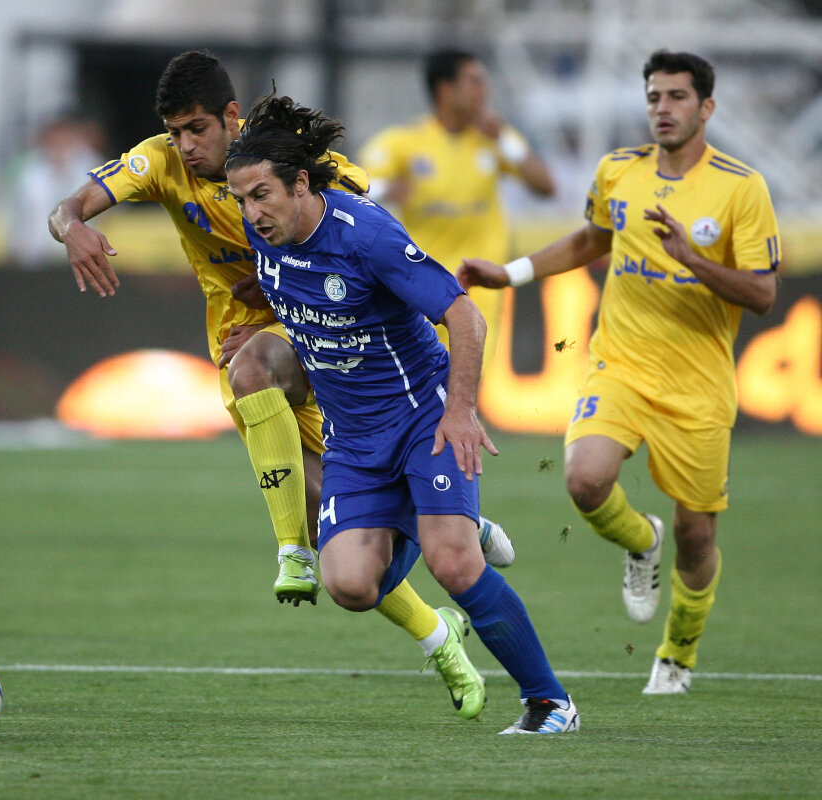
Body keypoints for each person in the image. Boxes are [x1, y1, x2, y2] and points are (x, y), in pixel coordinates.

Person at [50, 51, 512, 718]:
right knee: (335, 523)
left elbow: (355, 234)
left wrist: (276, 284)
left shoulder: (289, 162)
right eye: (175, 131)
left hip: (325, 337)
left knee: (258, 380)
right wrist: (74, 229)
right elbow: (67, 206)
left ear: (231, 118)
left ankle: (292, 551)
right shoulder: (161, 162)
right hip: (241, 344)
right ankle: (440, 631)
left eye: (197, 128)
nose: (186, 145)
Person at [226, 93, 578, 734]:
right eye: (241, 199)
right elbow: (303, 291)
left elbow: (465, 317)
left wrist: (460, 411)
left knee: (453, 564)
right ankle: (440, 515)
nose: (251, 212)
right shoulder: (264, 233)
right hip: (352, 437)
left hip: (421, 416)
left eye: (261, 196)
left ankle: (550, 703)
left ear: (300, 183)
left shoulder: (368, 235)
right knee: (350, 585)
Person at [458, 50, 779, 695]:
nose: (663, 108)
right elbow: (592, 239)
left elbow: (763, 294)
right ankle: (640, 540)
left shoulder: (741, 187)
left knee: (697, 534)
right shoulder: (618, 170)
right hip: (620, 364)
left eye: (677, 97)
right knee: (584, 479)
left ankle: (677, 655)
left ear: (707, 107)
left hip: (698, 382)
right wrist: (512, 272)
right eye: (655, 96)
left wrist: (690, 257)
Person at [358, 48, 554, 357]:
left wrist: (504, 139)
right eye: (474, 81)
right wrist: (387, 189)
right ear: (445, 89)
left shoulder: (495, 140)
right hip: (419, 286)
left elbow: (546, 186)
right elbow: (355, 187)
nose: (484, 91)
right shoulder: (406, 142)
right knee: (424, 381)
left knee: (469, 381)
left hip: (478, 288)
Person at [4, 115, 105, 268]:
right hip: (34, 255)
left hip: (80, 256)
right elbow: (15, 211)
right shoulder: (29, 168)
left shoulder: (90, 165)